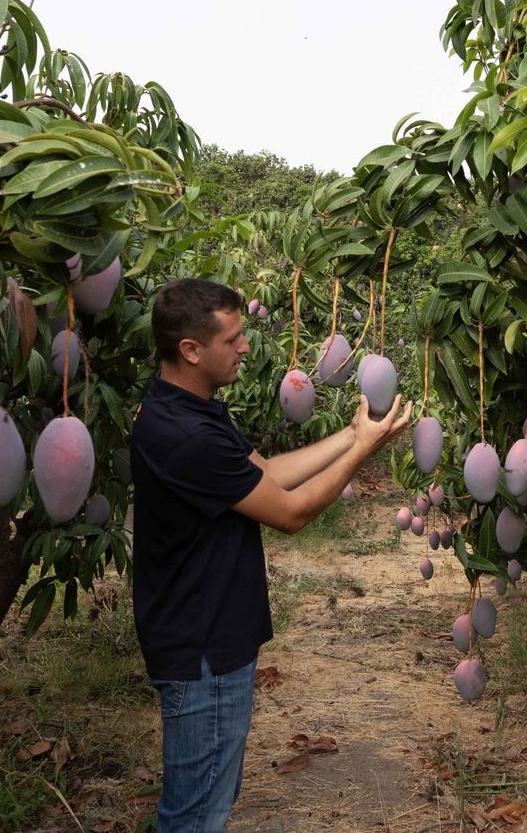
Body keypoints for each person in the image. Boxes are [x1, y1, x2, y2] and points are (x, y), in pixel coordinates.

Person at [130, 278, 411, 832]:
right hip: (201, 651)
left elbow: (264, 476)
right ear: (191, 349)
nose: (246, 347)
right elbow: (290, 512)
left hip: (212, 643)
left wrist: (351, 437)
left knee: (209, 802)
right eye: (233, 338)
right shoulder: (184, 435)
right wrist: (364, 455)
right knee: (194, 817)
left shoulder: (190, 408)